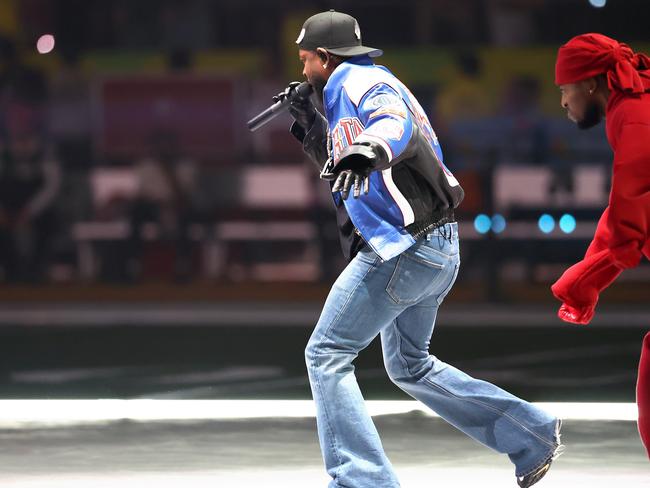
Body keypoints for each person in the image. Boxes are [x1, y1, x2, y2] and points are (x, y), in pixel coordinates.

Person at [279, 10, 562, 487]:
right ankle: (530, 434)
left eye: (306, 60)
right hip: (434, 247)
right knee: (410, 364)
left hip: (403, 250)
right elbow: (344, 165)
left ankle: (362, 480)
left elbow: (393, 124)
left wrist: (372, 148)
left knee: (326, 353)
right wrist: (312, 126)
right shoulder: (345, 91)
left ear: (326, 58)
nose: (303, 71)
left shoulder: (359, 81)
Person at [552, 33, 650, 458]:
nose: (563, 103)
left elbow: (631, 203)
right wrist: (587, 276)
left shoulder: (633, 113)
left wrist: (587, 278)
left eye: (564, 90)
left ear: (590, 84)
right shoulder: (633, 108)